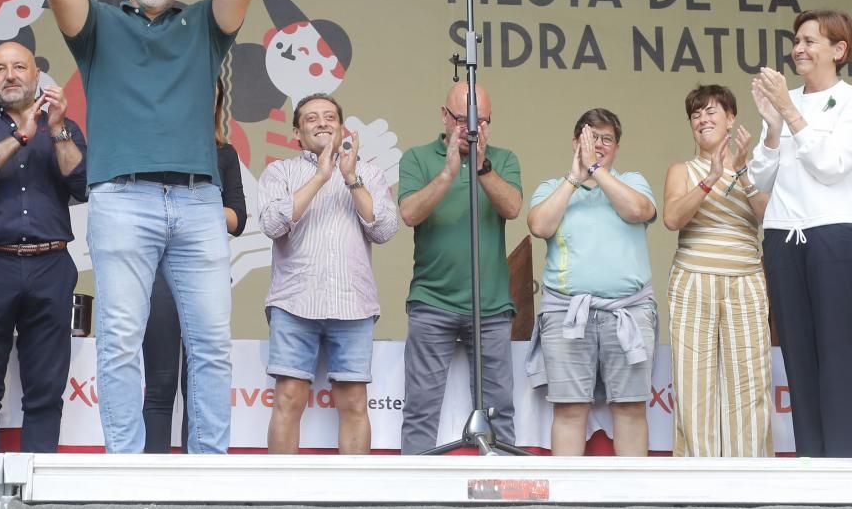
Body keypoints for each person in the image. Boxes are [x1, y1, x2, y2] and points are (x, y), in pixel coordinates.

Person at [45, 0, 257, 454]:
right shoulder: (100, 28)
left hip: (197, 203)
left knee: (213, 342)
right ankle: (124, 468)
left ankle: (210, 466)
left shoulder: (205, 28)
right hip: (122, 199)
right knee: (118, 338)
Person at [0, 41, 87, 452]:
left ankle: (35, 505)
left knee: (45, 392)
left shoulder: (64, 127)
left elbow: (81, 184)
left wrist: (56, 129)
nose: (10, 75)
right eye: (0, 69)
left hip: (50, 265)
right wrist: (21, 136)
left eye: (19, 67)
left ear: (36, 75)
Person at [749, 9, 852, 457]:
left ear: (839, 51)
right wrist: (773, 129)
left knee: (839, 356)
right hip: (783, 234)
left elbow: (832, 166)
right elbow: (760, 179)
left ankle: (849, 470)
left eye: (809, 41)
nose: (797, 49)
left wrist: (788, 111)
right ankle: (812, 465)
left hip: (834, 234)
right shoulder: (788, 101)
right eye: (796, 41)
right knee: (798, 355)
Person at [260, 93, 399, 454]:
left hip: (352, 305)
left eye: (329, 117)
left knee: (353, 402)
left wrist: (350, 178)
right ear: (296, 132)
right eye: (311, 118)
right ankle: (280, 501)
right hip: (294, 304)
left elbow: (383, 230)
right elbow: (273, 224)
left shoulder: (369, 173)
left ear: (342, 127)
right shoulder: (280, 172)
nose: (322, 123)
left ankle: (353, 502)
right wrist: (321, 176)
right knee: (289, 399)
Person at [397, 82, 524, 454]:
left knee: (498, 410)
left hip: (490, 305)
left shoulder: (503, 158)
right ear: (443, 116)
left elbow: (513, 208)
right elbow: (409, 213)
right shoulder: (418, 158)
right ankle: (416, 499)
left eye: (481, 121)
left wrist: (481, 166)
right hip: (431, 301)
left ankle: (503, 494)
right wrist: (449, 173)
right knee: (420, 407)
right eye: (461, 119)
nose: (470, 128)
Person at [529, 108, 658, 456]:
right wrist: (574, 178)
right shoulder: (552, 187)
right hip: (567, 313)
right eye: (591, 137)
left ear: (616, 148)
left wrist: (597, 171)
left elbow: (638, 211)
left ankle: (635, 506)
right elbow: (539, 226)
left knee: (630, 409)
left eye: (607, 139)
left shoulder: (632, 181)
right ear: (575, 142)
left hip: (628, 310)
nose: (599, 145)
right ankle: (567, 505)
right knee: (570, 409)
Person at [660, 85, 771, 457]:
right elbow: (673, 218)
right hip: (694, 278)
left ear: (731, 118)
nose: (702, 120)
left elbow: (768, 219)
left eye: (711, 112)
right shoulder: (682, 169)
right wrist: (711, 176)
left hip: (745, 278)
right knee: (693, 381)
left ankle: (751, 475)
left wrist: (740, 172)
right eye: (695, 115)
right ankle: (697, 477)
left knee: (750, 379)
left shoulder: (755, 167)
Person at [142, 79, 248, 453]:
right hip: (157, 276)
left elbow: (240, 217)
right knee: (160, 379)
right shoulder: (154, 147)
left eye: (211, 96)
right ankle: (149, 484)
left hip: (206, 271)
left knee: (202, 379)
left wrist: (195, 213)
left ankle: (198, 477)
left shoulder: (223, 154)